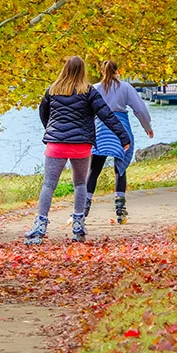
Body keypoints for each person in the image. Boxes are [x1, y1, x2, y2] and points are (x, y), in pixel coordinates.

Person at [24, 56, 131, 245]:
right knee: (80, 184)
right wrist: (123, 137)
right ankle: (78, 225)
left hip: (56, 144)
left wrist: (52, 131)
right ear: (83, 71)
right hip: (81, 145)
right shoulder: (88, 92)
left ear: (64, 69)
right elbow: (106, 114)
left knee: (49, 185)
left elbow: (43, 113)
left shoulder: (52, 90)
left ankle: (40, 226)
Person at [85, 61, 154, 224]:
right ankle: (120, 208)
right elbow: (140, 109)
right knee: (120, 168)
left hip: (101, 128)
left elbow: (87, 112)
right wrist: (147, 126)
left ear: (101, 71)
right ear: (118, 71)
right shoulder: (126, 88)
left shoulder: (95, 88)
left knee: (94, 169)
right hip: (121, 127)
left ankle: (84, 207)